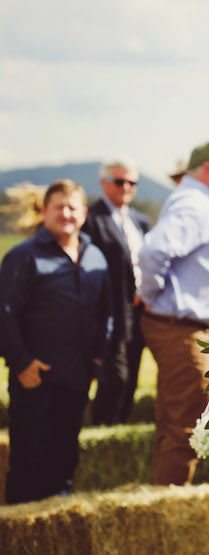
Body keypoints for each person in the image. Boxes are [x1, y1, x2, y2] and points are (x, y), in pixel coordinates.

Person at [139, 137, 209, 486]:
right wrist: (151, 295)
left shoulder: (202, 202)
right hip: (182, 326)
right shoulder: (194, 204)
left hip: (189, 326)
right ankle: (170, 504)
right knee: (188, 421)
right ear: (206, 169)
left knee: (177, 417)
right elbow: (152, 253)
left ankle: (163, 499)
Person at [0, 180, 111, 503]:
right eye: (58, 206)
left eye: (72, 207)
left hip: (76, 380)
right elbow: (4, 315)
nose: (66, 213)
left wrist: (98, 361)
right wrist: (22, 364)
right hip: (35, 381)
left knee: (64, 462)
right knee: (28, 465)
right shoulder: (23, 257)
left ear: (84, 213)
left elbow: (106, 315)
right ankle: (18, 549)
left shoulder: (96, 258)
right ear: (44, 211)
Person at [82, 158, 150, 425]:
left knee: (131, 375)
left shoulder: (140, 221)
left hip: (141, 312)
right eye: (119, 181)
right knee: (116, 377)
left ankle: (118, 427)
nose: (126, 187)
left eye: (132, 182)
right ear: (103, 183)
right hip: (111, 313)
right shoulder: (91, 220)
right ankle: (102, 427)